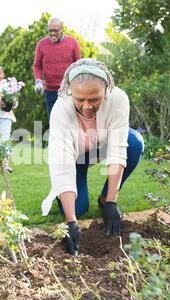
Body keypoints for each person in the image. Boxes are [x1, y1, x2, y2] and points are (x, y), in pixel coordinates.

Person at [41, 58, 145, 255]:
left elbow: (117, 149)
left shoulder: (118, 99)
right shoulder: (61, 109)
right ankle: (64, 195)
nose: (86, 106)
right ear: (71, 92)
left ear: (106, 90)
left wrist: (112, 201)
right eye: (79, 99)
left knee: (135, 142)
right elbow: (61, 164)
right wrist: (71, 221)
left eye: (94, 99)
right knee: (78, 209)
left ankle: (104, 200)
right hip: (74, 158)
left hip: (101, 146)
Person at [33, 17, 81, 119]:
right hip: (50, 91)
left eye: (55, 30)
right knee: (54, 120)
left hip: (68, 90)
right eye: (50, 31)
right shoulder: (42, 44)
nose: (52, 33)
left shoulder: (73, 43)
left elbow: (78, 66)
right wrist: (38, 81)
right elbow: (37, 65)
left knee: (70, 120)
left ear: (61, 29)